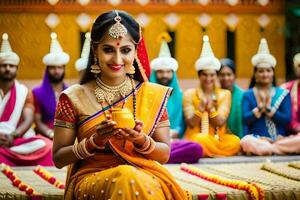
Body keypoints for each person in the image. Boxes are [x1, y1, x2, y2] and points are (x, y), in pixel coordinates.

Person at [52, 10, 192, 200]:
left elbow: (164, 155)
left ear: (135, 51)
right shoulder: (73, 97)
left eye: (125, 50)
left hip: (144, 175)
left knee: (132, 177)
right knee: (126, 177)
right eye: (108, 49)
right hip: (91, 179)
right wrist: (94, 142)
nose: (117, 60)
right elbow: (59, 158)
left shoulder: (152, 94)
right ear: (95, 50)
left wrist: (141, 140)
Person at [183, 35, 240, 157]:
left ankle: (207, 152)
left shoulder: (225, 94)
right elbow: (191, 123)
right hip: (197, 138)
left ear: (216, 76)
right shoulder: (189, 94)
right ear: (199, 75)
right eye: (205, 75)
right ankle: (208, 151)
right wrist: (200, 109)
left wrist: (212, 109)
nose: (208, 78)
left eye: (212, 75)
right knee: (200, 140)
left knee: (235, 141)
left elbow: (220, 122)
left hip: (218, 139)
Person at [0, 33, 53, 166]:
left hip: (15, 139)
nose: (7, 69)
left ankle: (6, 157)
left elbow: (29, 118)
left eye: (11, 66)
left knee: (46, 145)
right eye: (4, 65)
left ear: (16, 69)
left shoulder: (24, 92)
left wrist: (14, 135)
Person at [150, 33, 203, 163]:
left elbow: (182, 125)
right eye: (161, 72)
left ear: (173, 74)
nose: (164, 75)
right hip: (152, 142)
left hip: (174, 141)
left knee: (196, 148)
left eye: (168, 72)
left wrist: (174, 133)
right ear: (155, 74)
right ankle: (156, 156)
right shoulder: (148, 94)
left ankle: (155, 159)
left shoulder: (181, 95)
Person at [241, 38, 292, 155]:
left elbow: (286, 119)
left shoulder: (283, 94)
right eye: (261, 71)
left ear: (273, 73)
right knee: (246, 142)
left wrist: (269, 110)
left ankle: (271, 148)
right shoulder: (248, 94)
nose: (265, 74)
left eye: (268, 71)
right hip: (257, 140)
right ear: (255, 74)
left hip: (280, 140)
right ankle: (271, 148)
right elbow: (244, 119)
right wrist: (259, 109)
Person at [32, 32, 69, 139]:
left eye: (60, 67)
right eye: (53, 68)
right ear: (47, 70)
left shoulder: (70, 92)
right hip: (46, 136)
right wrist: (51, 134)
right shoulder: (37, 93)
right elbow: (37, 122)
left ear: (64, 69)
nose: (56, 71)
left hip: (68, 135)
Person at [218, 58, 244, 138]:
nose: (226, 78)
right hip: (219, 137)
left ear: (234, 76)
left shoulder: (243, 95)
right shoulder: (215, 94)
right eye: (222, 75)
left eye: (229, 74)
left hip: (240, 137)